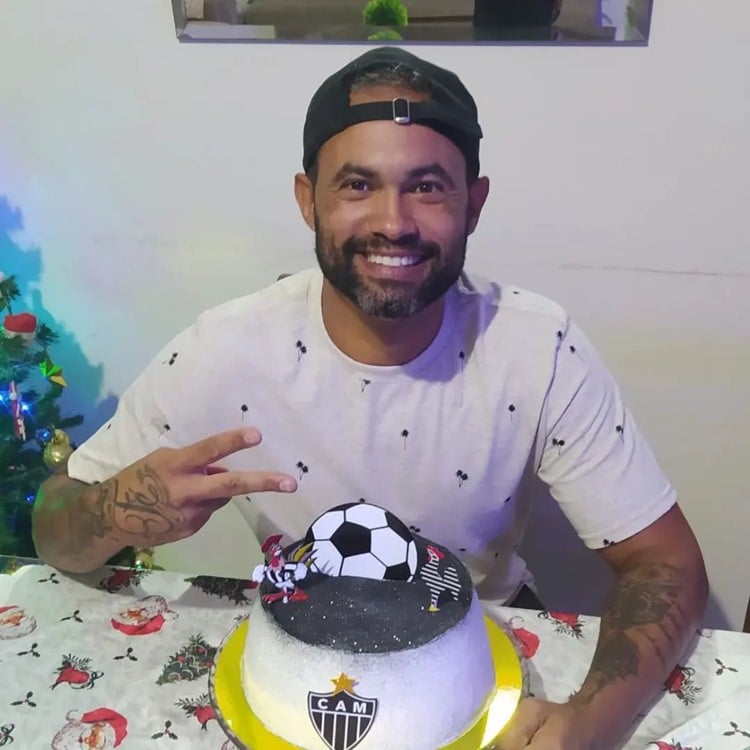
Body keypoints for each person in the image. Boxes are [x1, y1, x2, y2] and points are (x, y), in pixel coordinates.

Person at [32, 46, 708, 749]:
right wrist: (114, 511)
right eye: (358, 185)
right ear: (308, 199)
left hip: (486, 653)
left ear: (473, 204)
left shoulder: (538, 347)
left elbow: (667, 563)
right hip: (298, 666)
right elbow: (54, 532)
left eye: (428, 187)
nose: (394, 222)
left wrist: (591, 723)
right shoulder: (224, 350)